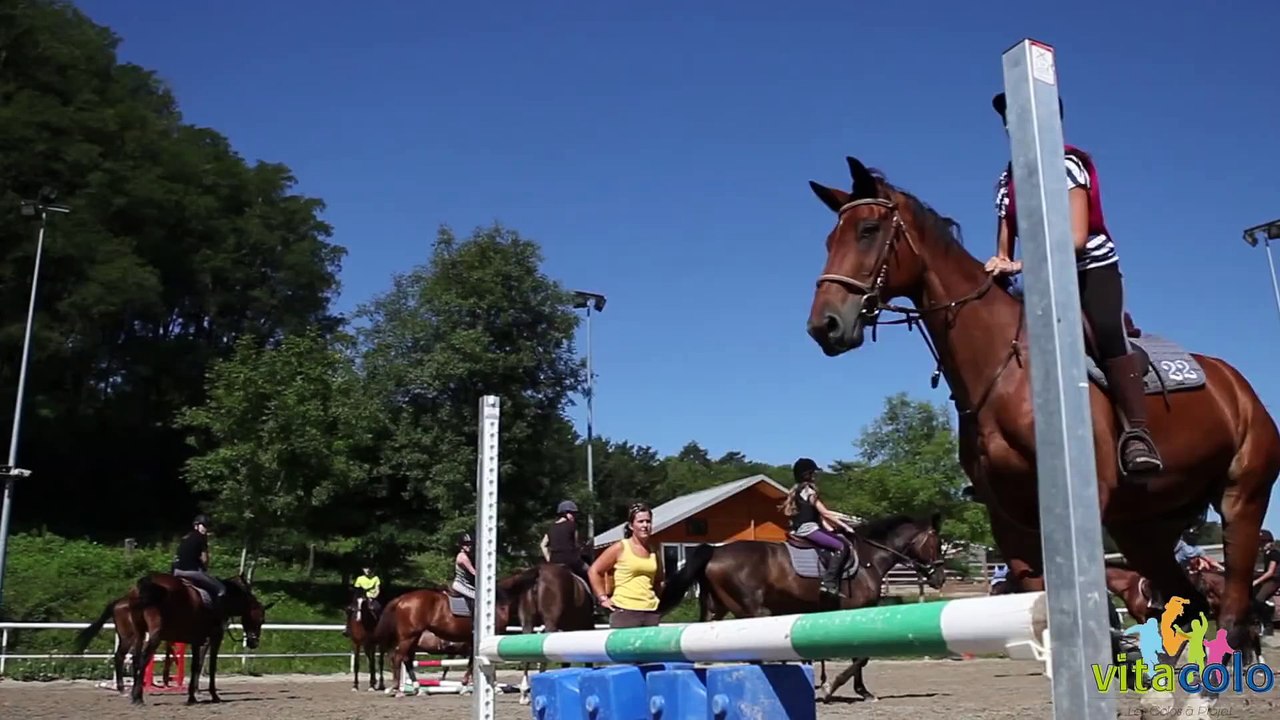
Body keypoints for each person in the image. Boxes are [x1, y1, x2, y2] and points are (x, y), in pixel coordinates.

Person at [984, 91, 1162, 479]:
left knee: (1105, 330)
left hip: (1090, 269)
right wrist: (1000, 261)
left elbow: (1077, 237)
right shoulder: (1006, 179)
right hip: (1040, 276)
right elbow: (1004, 243)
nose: (1013, 124)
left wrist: (1020, 263)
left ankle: (1137, 433)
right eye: (1010, 118)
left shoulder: (1066, 164)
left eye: (1023, 115)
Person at [779, 457, 856, 597]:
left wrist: (834, 527)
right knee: (842, 546)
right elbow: (825, 512)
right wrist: (846, 526)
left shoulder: (797, 490)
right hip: (809, 529)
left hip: (802, 528)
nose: (815, 475)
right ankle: (829, 583)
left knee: (835, 538)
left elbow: (819, 516)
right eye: (813, 473)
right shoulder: (809, 491)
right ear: (806, 474)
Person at [589, 502, 663, 628]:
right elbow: (594, 571)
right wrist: (602, 598)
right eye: (640, 522)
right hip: (625, 612)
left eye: (648, 521)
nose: (645, 525)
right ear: (631, 526)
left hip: (650, 612)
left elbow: (659, 580)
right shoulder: (621, 547)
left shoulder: (653, 551)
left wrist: (655, 599)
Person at [171, 514, 226, 611]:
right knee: (221, 588)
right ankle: (215, 613)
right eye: (205, 526)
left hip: (176, 571)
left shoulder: (185, 537)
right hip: (192, 572)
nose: (206, 529)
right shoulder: (201, 538)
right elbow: (205, 559)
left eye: (208, 526)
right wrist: (204, 568)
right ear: (197, 525)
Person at [541, 500, 591, 586]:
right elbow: (576, 544)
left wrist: (549, 559)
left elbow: (543, 545)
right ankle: (594, 597)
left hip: (554, 562)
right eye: (572, 514)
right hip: (571, 561)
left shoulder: (551, 528)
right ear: (565, 513)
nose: (574, 517)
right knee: (591, 572)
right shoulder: (572, 526)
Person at [342, 564, 382, 637]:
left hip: (371, 598)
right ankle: (348, 628)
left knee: (377, 608)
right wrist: (359, 597)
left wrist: (373, 596)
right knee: (350, 609)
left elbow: (377, 590)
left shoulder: (376, 578)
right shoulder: (360, 579)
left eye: (369, 568)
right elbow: (357, 590)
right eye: (366, 568)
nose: (367, 570)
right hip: (361, 597)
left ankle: (379, 627)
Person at [1253, 530, 1280, 634]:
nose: (1261, 545)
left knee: (1259, 599)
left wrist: (1256, 582)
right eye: (1260, 543)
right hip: (1270, 578)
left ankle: (1269, 625)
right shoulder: (1266, 554)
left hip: (1275, 579)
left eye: (1263, 542)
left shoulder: (1274, 553)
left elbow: (1270, 572)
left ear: (1270, 542)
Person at [452, 532, 477, 611]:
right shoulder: (463, 557)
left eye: (470, 544)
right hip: (461, 585)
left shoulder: (468, 556)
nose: (469, 546)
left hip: (466, 585)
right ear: (461, 545)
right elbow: (473, 572)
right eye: (466, 544)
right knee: (479, 598)